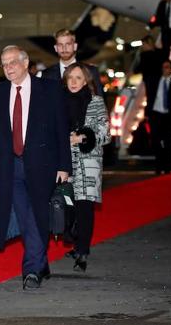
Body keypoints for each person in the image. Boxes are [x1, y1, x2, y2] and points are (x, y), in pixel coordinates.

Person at [0, 45, 71, 289]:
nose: (8, 68)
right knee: (26, 216)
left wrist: (64, 165)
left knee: (37, 213)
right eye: (4, 64)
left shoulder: (48, 89)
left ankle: (33, 268)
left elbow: (61, 129)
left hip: (43, 165)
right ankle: (36, 266)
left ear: (25, 63)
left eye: (12, 63)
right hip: (10, 167)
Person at [62, 63, 111, 272]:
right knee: (67, 207)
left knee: (85, 208)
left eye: (78, 78)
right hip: (65, 162)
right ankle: (74, 238)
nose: (74, 82)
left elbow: (106, 133)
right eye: (70, 77)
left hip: (88, 162)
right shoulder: (58, 102)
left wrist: (82, 137)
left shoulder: (96, 102)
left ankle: (82, 251)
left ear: (86, 81)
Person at [144, 60, 171, 174]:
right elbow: (149, 98)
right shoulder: (154, 81)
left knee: (168, 143)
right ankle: (158, 167)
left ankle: (167, 168)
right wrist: (147, 114)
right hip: (156, 115)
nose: (165, 69)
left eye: (167, 67)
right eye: (163, 67)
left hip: (169, 116)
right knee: (156, 142)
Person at [41, 28, 104, 96]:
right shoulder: (46, 74)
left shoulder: (91, 71)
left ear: (75, 46)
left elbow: (99, 102)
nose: (64, 48)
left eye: (68, 44)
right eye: (60, 45)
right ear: (56, 48)